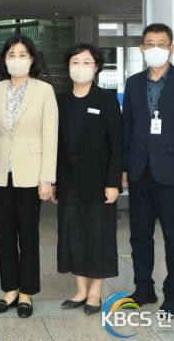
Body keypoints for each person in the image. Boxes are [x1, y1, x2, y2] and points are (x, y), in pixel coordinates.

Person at [122, 23, 174, 316]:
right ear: (142, 48)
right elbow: (127, 127)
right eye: (149, 44)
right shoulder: (133, 83)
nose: (155, 48)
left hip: (173, 171)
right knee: (139, 235)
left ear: (171, 48)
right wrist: (123, 167)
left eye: (161, 43)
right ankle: (143, 289)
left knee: (173, 237)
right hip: (139, 170)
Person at [0, 35, 58, 319]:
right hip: (0, 171)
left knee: (28, 234)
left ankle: (27, 292)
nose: (16, 59)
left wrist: (47, 178)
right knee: (4, 235)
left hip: (31, 173)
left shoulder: (44, 90)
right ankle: (9, 290)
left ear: (32, 59)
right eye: (11, 54)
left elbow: (50, 136)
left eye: (22, 54)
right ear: (5, 60)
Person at [54, 43, 122, 315]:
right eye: (75, 62)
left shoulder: (106, 100)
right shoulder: (60, 100)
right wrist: (54, 181)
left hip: (99, 181)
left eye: (86, 63)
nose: (80, 68)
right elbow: (55, 144)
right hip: (68, 181)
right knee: (72, 234)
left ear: (96, 68)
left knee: (98, 235)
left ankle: (96, 292)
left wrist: (113, 182)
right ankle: (81, 289)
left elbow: (117, 144)